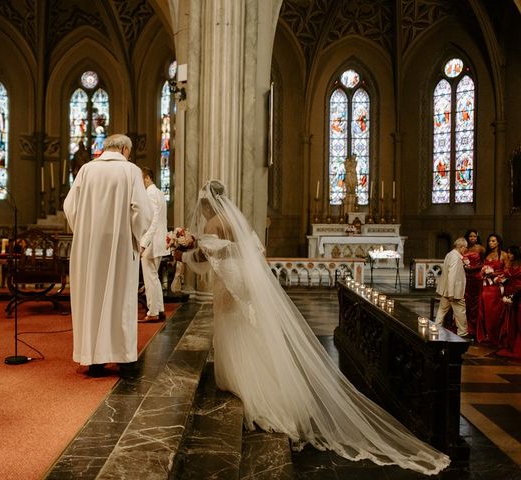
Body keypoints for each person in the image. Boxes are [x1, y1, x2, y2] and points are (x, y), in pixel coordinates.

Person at [174, 180, 450, 476]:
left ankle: (244, 383)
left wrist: (185, 247)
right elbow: (254, 248)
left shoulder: (215, 223)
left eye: (201, 207)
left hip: (230, 283)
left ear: (207, 204)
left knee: (233, 326)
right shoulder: (234, 218)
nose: (201, 212)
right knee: (247, 327)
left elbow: (207, 256)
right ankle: (259, 382)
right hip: (244, 280)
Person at [63, 134, 152, 378]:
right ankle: (124, 359)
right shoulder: (130, 171)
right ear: (124, 148)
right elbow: (141, 210)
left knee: (91, 298)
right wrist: (139, 238)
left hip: (89, 246)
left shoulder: (86, 170)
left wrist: (84, 231)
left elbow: (70, 206)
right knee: (120, 298)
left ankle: (94, 361)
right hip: (120, 244)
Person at [139, 166, 168, 322]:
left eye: (141, 179)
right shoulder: (159, 193)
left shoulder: (149, 194)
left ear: (147, 178)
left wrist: (144, 242)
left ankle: (153, 312)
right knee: (154, 278)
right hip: (158, 240)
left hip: (151, 242)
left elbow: (153, 220)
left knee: (150, 279)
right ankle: (160, 309)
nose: (140, 183)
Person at [434, 237, 469, 337]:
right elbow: (451, 275)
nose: (465, 250)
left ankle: (435, 328)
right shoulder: (455, 257)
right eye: (465, 248)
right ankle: (463, 332)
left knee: (442, 311)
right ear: (461, 247)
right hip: (454, 291)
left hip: (446, 290)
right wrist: (451, 293)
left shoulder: (450, 254)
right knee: (460, 312)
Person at [476, 233, 508, 346]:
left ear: (498, 242)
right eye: (489, 241)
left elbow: (507, 271)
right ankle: (488, 335)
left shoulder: (504, 255)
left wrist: (493, 273)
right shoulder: (487, 255)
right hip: (486, 287)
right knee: (486, 311)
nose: (490, 243)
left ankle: (497, 337)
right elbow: (481, 271)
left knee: (495, 313)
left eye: (493, 241)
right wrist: (483, 272)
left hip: (497, 288)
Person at [498, 245, 521, 359]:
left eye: (511, 253)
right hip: (510, 292)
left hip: (519, 294)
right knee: (511, 320)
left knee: (519, 320)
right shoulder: (509, 264)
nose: (509, 255)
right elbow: (506, 277)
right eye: (508, 253)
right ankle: (511, 344)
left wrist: (513, 296)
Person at [463, 229, 485, 337]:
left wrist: (473, 268)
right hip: (466, 278)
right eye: (471, 236)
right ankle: (467, 327)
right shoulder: (464, 249)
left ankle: (476, 327)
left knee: (475, 303)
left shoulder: (480, 248)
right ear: (467, 237)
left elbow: (484, 263)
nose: (473, 238)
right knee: (466, 302)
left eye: (474, 236)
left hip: (476, 277)